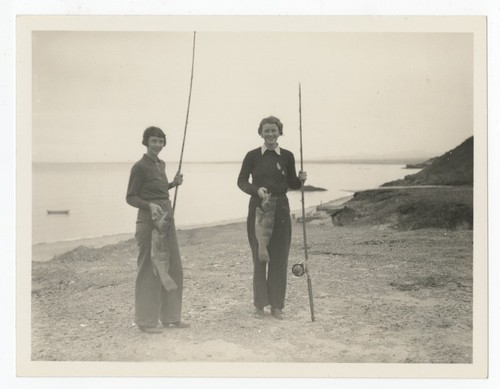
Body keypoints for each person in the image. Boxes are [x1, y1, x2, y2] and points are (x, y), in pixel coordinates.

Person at [237, 116, 307, 320]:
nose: (270, 134)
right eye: (266, 131)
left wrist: (301, 180)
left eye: (273, 131)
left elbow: (293, 183)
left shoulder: (287, 156)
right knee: (260, 256)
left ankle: (277, 306)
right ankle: (260, 305)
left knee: (279, 257)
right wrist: (255, 190)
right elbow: (241, 181)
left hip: (281, 210)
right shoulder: (252, 156)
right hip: (259, 207)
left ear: (279, 132)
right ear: (260, 132)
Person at [126, 126, 190, 333]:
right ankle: (145, 321)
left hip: (166, 219)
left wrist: (172, 184)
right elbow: (131, 197)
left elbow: (158, 191)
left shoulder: (161, 164)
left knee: (173, 267)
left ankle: (171, 318)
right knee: (149, 269)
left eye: (161, 141)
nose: (157, 145)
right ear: (146, 142)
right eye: (154, 141)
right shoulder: (139, 166)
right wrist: (149, 205)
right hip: (148, 223)